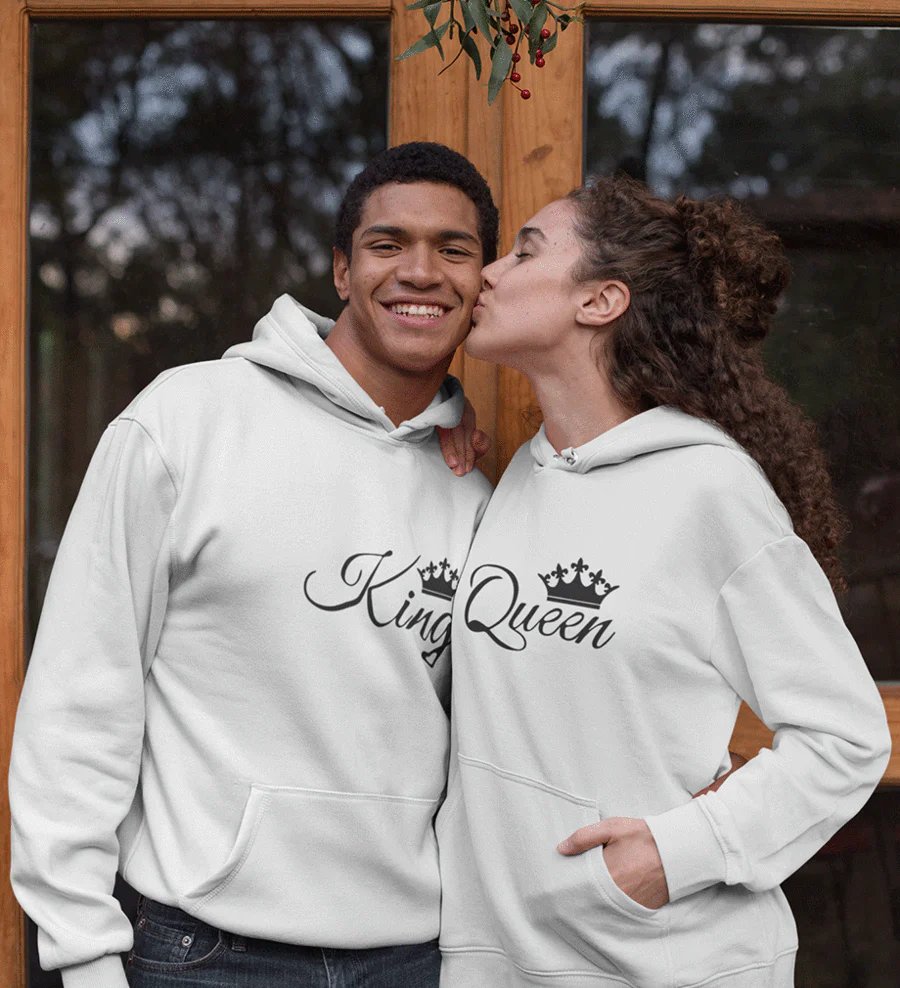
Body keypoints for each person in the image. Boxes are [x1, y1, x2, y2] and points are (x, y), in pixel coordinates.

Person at [9, 141, 496, 988]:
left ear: (483, 280)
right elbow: (82, 696)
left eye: (453, 249)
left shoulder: (479, 495)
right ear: (341, 270)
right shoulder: (186, 421)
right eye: (388, 244)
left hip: (413, 955)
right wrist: (82, 950)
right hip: (203, 952)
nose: (421, 271)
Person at [437, 175, 892, 987]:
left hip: (666, 959)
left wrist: (671, 856)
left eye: (525, 252)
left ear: (601, 300)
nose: (490, 273)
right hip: (509, 961)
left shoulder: (710, 491)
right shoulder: (518, 481)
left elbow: (847, 740)